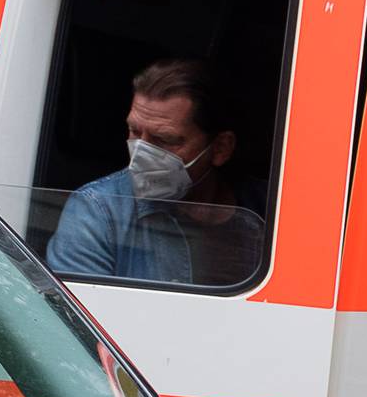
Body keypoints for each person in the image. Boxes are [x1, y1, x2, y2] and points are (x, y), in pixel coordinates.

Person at [45, 59, 266, 286]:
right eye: (135, 132)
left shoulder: (270, 208)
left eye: (165, 140)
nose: (141, 152)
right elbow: (75, 313)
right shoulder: (99, 209)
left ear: (220, 148)